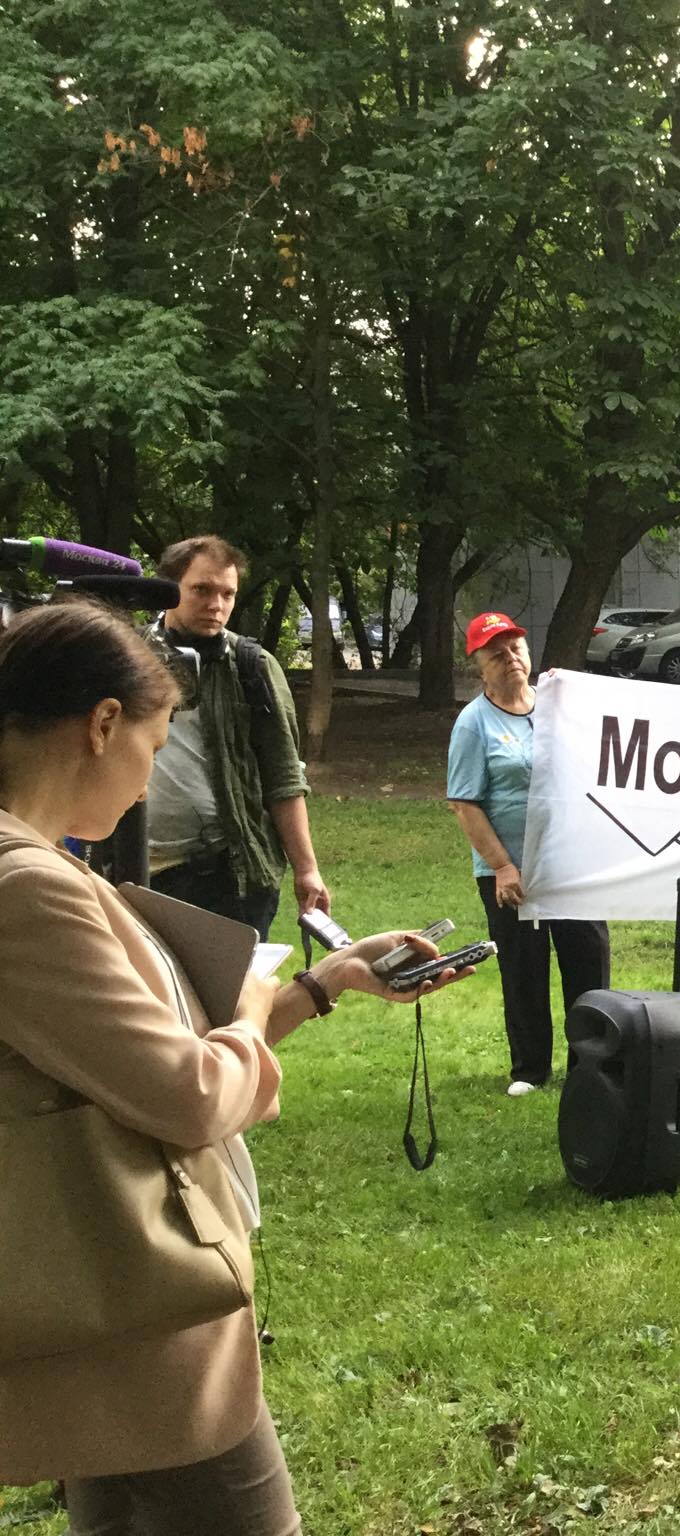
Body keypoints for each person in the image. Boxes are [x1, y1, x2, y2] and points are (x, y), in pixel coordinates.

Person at [0, 599, 467, 1532]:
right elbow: (188, 1091)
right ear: (101, 724)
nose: (149, 779)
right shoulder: (26, 889)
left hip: (110, 1301)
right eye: (156, 744)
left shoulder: (43, 866)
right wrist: (254, 1010)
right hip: (144, 1311)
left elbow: (138, 1058)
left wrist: (327, 980)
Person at [447, 612, 611, 1096]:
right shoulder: (473, 724)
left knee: (588, 958)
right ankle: (530, 1069)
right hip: (511, 869)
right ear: (479, 666)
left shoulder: (559, 707)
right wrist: (502, 865)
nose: (510, 658)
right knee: (524, 968)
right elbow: (464, 803)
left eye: (515, 647)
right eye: (495, 654)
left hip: (569, 862)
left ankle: (592, 1064)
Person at [147, 536, 329, 934]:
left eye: (227, 594)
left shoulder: (252, 666)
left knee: (234, 978)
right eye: (202, 590)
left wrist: (307, 869)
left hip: (230, 876)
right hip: (138, 869)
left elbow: (283, 774)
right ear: (167, 589)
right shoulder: (129, 657)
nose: (216, 605)